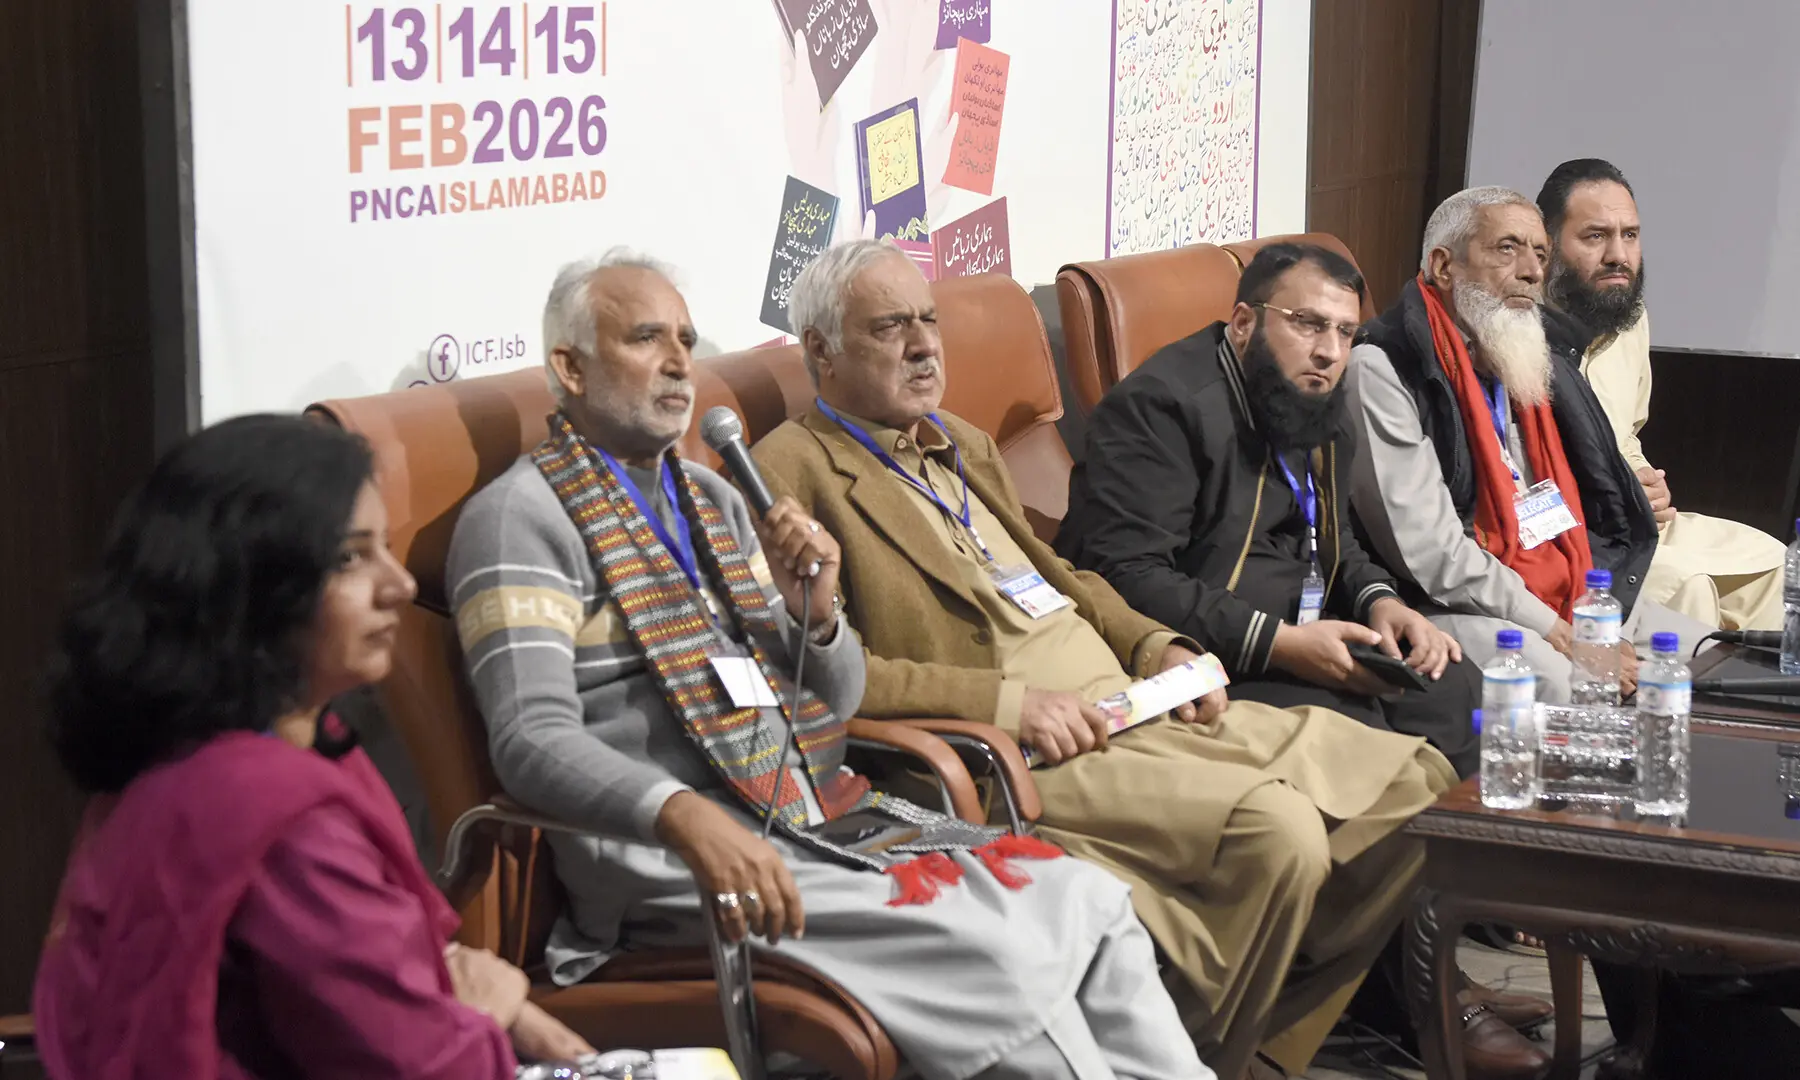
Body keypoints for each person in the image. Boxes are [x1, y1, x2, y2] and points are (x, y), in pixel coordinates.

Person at [756, 239, 1549, 1080]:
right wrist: (1006, 703)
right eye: (891, 328)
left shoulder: (958, 443)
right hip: (1024, 744)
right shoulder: (787, 477)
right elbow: (821, 673)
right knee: (1277, 835)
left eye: (928, 321)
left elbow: (1062, 576)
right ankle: (1205, 1055)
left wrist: (1153, 644)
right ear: (822, 352)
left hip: (1132, 693)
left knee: (1421, 787)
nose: (924, 346)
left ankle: (1251, 1045)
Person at [447, 250, 1213, 1080]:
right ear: (569, 367)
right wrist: (680, 814)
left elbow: (831, 704)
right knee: (998, 956)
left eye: (686, 339)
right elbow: (528, 738)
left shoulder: (709, 500)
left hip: (803, 813)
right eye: (644, 339)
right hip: (673, 861)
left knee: (1085, 900)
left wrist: (816, 620)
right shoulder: (519, 519)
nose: (678, 363)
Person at [33, 415, 593, 1079]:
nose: (401, 586)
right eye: (351, 559)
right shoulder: (278, 816)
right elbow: (429, 1066)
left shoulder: (200, 749)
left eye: (386, 547)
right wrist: (481, 1011)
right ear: (251, 583)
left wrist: (463, 984)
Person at [1057, 242, 1483, 779]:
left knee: (1459, 692)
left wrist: (1382, 602)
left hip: (1305, 634)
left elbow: (1332, 538)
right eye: (1308, 324)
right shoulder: (1160, 409)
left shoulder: (1316, 403)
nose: (1329, 351)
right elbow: (1123, 575)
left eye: (1345, 332)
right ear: (1242, 323)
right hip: (1209, 656)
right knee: (1367, 743)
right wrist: (1282, 645)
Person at [1346, 186, 1702, 702]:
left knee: (1698, 659)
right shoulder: (1384, 366)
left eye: (1540, 253)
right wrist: (1561, 633)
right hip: (1450, 606)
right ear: (1444, 267)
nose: (1533, 272)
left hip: (1564, 583)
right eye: (1507, 249)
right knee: (1578, 692)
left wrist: (1588, 616)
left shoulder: (1522, 355)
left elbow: (1583, 491)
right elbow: (1433, 554)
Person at [1538, 157, 1786, 632]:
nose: (1619, 255)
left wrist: (1642, 478)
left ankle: (1754, 707)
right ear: (1547, 245)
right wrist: (1611, 494)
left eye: (1629, 235)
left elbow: (1625, 437)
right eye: (1595, 236)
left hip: (1634, 520)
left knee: (1775, 563)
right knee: (1687, 584)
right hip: (1569, 534)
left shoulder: (1628, 317)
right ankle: (1670, 704)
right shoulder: (1518, 336)